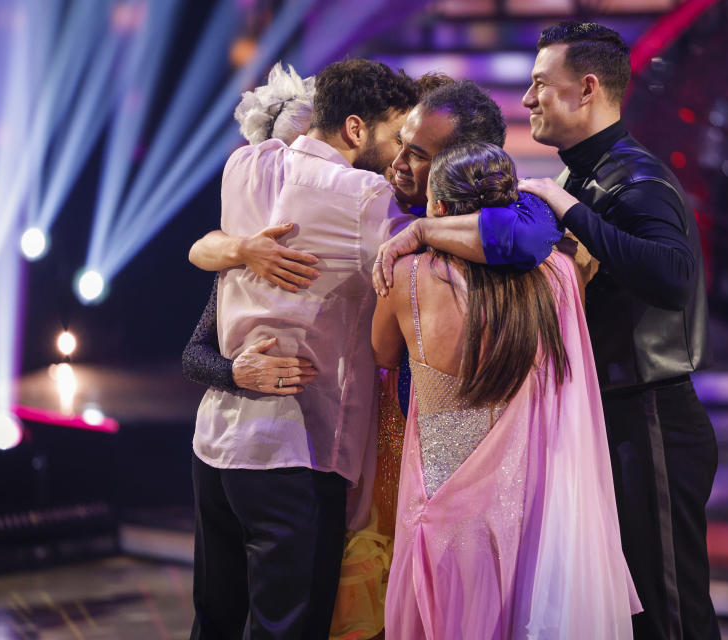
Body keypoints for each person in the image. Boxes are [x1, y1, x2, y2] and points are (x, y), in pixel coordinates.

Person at [184, 64, 561, 639]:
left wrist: (231, 247)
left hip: (216, 446)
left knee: (214, 619)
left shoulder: (246, 164)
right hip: (298, 450)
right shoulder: (367, 198)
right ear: (356, 129)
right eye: (396, 139)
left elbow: (204, 252)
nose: (397, 159)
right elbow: (498, 237)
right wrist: (535, 204)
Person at [372, 141, 639, 638]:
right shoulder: (558, 277)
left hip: (438, 505)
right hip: (529, 513)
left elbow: (383, 356)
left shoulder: (405, 276)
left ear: (441, 210)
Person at [516, 22, 719, 640]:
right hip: (616, 419)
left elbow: (673, 276)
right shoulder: (586, 174)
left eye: (540, 86)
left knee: (668, 609)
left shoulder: (636, 178)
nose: (527, 100)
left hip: (652, 419)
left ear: (587, 88)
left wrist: (569, 209)